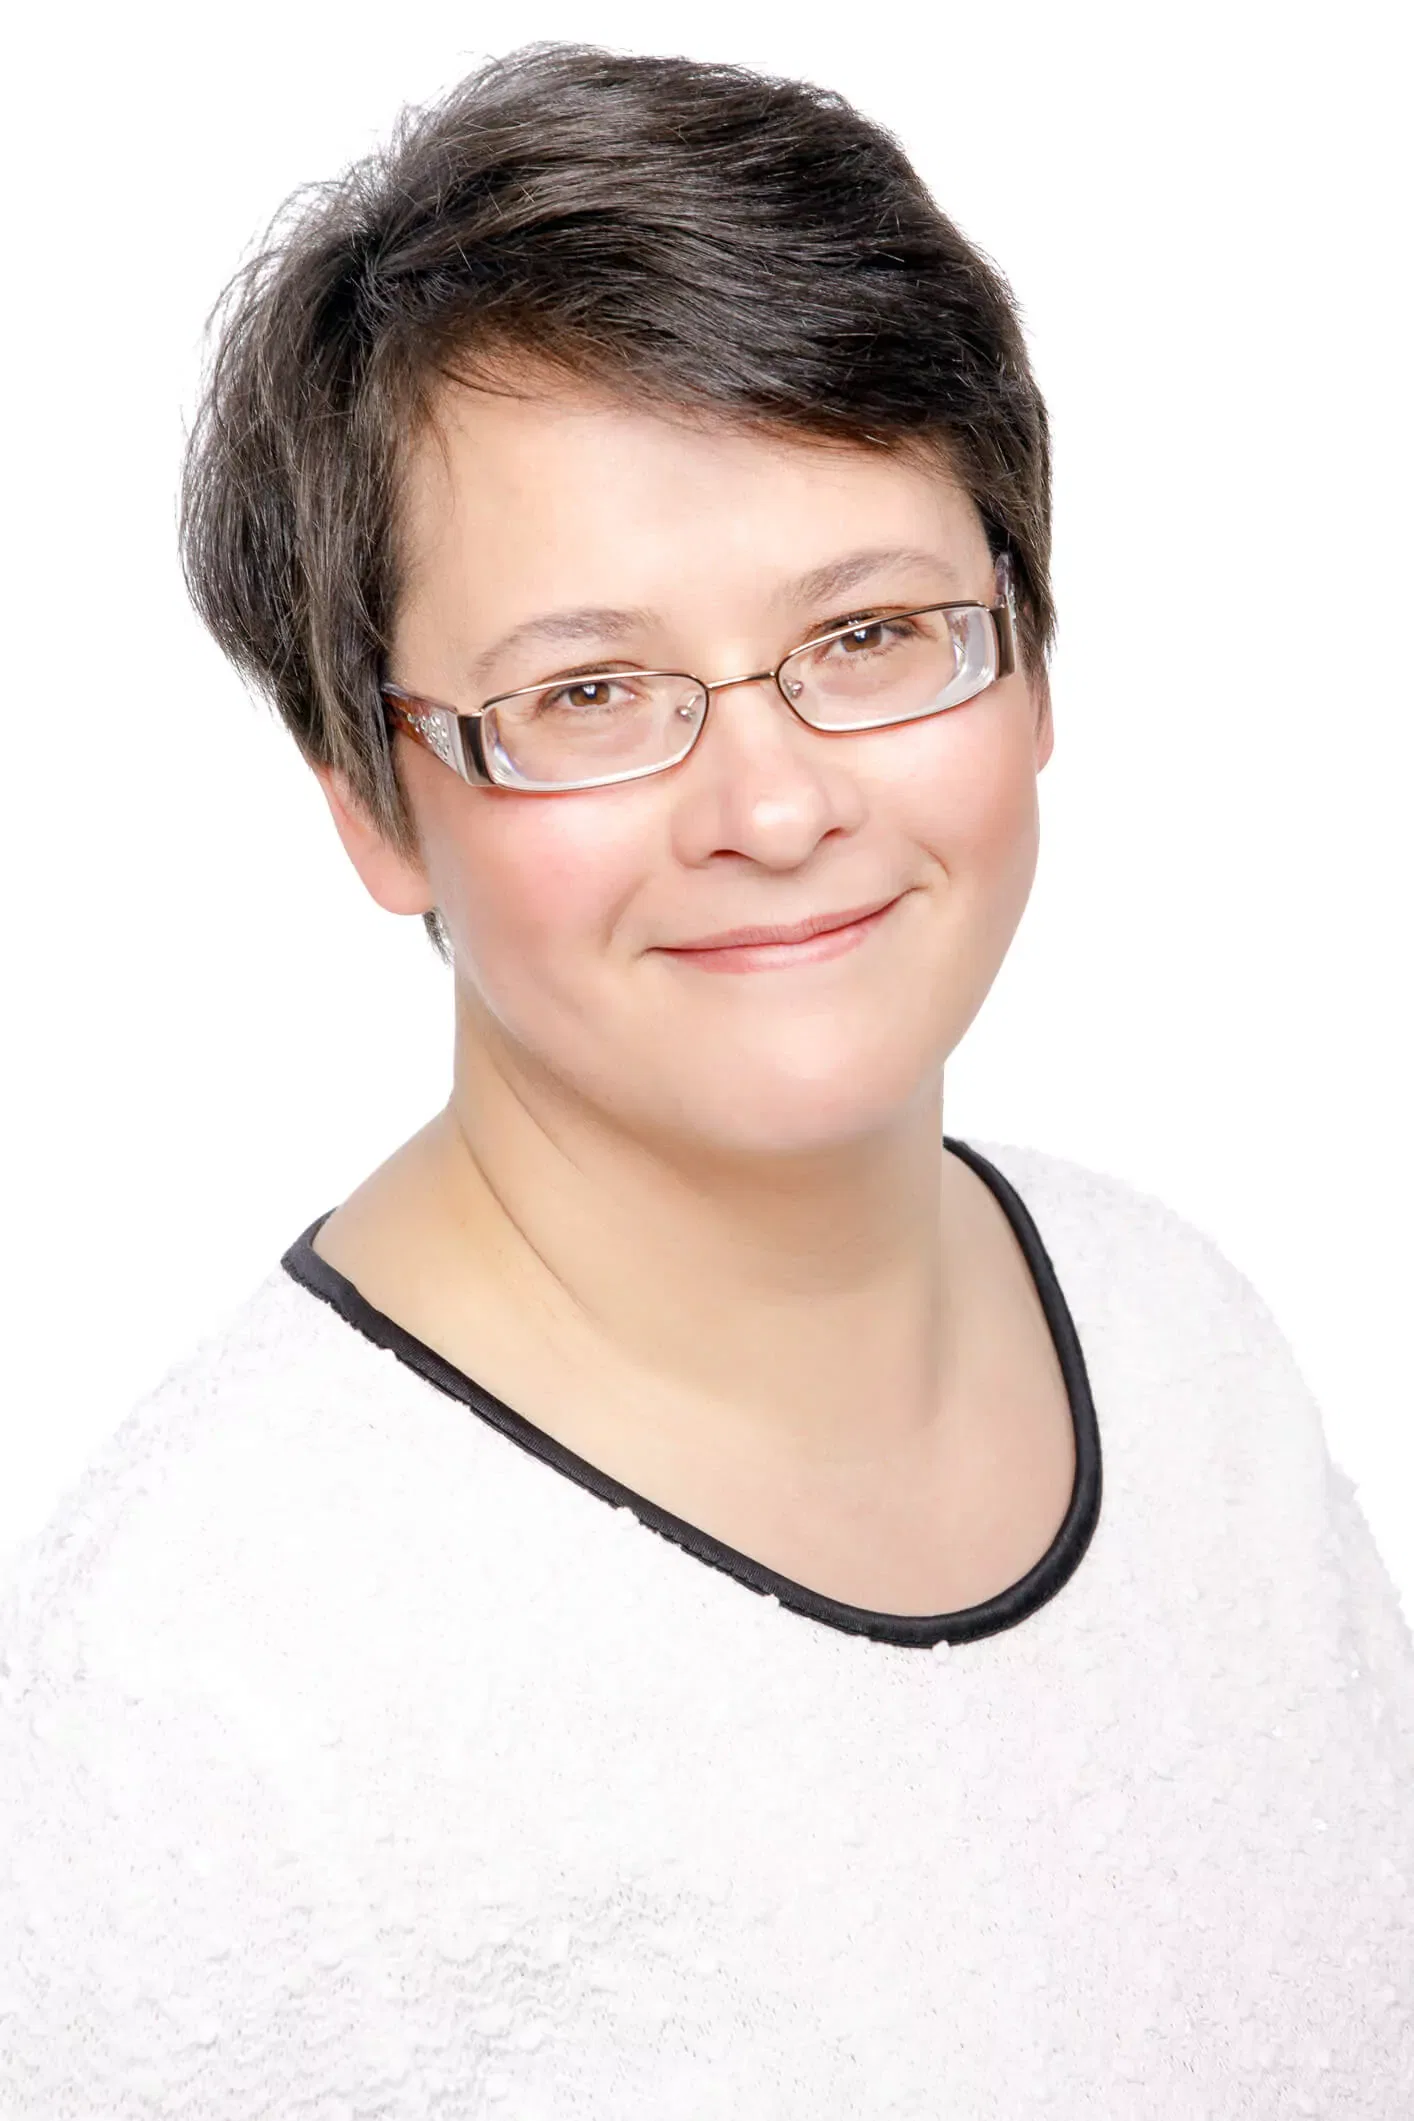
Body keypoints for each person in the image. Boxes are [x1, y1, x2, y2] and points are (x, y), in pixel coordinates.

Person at [1, 40, 1410, 2119]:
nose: (768, 803)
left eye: (865, 634)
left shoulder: (1180, 1333)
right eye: (587, 692)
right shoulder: (208, 1685)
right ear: (376, 804)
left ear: (1026, 659)